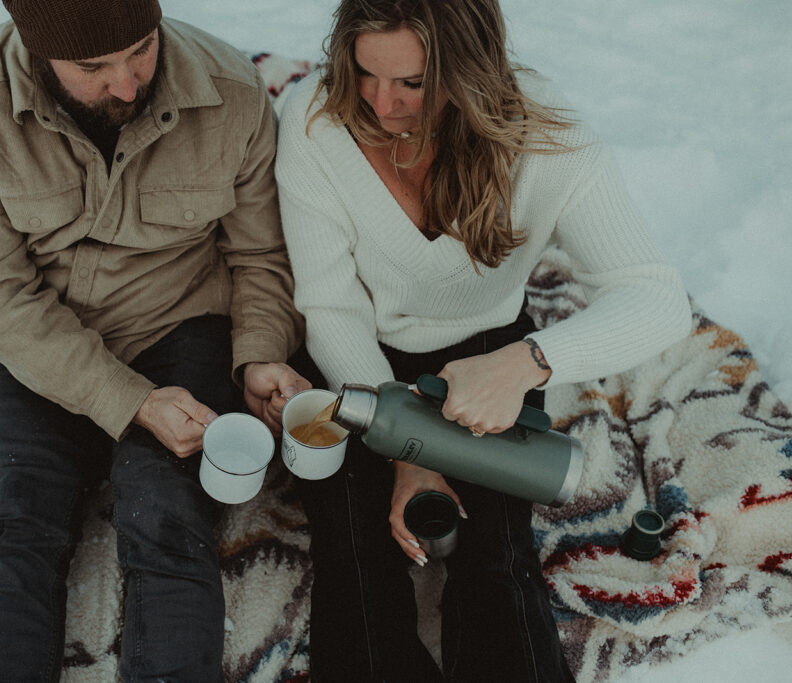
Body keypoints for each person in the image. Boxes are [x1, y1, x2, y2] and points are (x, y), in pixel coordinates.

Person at [275, 0, 692, 681]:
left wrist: (528, 362)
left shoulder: (547, 137)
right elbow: (329, 306)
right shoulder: (315, 116)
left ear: (467, 71)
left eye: (411, 82)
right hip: (351, 358)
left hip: (488, 350)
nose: (381, 105)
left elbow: (657, 296)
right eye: (365, 73)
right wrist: (408, 450)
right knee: (356, 550)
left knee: (495, 551)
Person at [0, 1, 310, 679]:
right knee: (19, 528)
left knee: (167, 518)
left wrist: (259, 353)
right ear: (35, 47)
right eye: (95, 66)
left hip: (181, 318)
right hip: (43, 336)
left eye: (141, 49)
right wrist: (129, 400)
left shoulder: (234, 91)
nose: (128, 84)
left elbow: (261, 256)